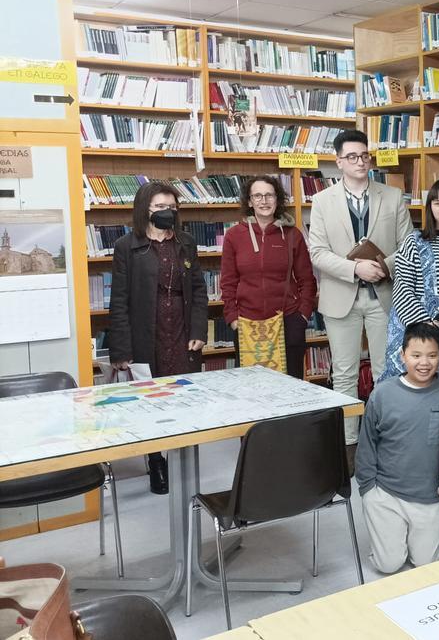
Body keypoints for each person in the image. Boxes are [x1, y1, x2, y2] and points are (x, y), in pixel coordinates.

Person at [308, 129, 414, 449]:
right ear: (339, 161)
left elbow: (408, 244)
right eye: (352, 156)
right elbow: (317, 252)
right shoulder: (322, 201)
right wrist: (355, 268)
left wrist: (383, 266)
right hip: (341, 298)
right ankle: (349, 443)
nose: (360, 162)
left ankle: (384, 440)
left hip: (384, 296)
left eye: (364, 155)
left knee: (387, 372)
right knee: (344, 373)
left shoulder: (392, 196)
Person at [108, 182, 208, 494]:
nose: (167, 212)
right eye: (160, 207)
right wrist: (121, 350)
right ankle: (156, 460)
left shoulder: (186, 242)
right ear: (145, 210)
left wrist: (199, 330)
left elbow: (199, 290)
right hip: (146, 332)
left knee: (182, 397)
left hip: (181, 329)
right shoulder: (127, 246)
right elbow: (119, 301)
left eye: (172, 207)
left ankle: (183, 457)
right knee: (150, 401)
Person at [356, 322, 439, 573]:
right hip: (386, 494)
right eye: (416, 355)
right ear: (402, 355)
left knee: (426, 565)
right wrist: (368, 490)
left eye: (432, 355)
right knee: (389, 564)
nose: (424, 363)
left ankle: (422, 535)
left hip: (431, 497)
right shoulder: (382, 394)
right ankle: (392, 538)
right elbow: (367, 443)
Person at [220, 175, 317, 379]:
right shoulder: (234, 236)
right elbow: (228, 282)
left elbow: (307, 280)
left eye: (269, 195)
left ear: (277, 199)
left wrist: (302, 316)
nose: (264, 201)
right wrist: (233, 319)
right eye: (257, 196)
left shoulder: (293, 235)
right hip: (247, 326)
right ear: (249, 201)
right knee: (251, 388)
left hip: (288, 322)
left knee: (290, 387)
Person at [384, 178, 439, 380]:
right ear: (430, 207)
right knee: (410, 388)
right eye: (437, 203)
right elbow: (402, 286)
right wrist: (423, 324)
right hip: (413, 328)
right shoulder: (414, 241)